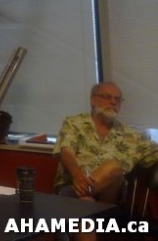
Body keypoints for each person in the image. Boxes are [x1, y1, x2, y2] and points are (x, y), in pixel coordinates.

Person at [53, 81, 158, 240]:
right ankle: (84, 199)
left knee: (113, 168)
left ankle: (83, 199)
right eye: (107, 97)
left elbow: (155, 152)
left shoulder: (131, 135)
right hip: (72, 190)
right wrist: (77, 175)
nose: (113, 102)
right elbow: (66, 151)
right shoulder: (74, 123)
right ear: (93, 100)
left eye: (118, 99)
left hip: (110, 199)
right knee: (85, 215)